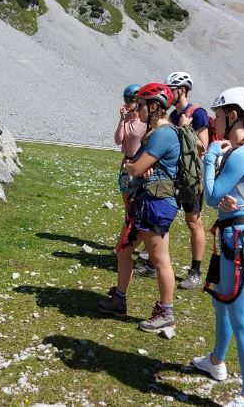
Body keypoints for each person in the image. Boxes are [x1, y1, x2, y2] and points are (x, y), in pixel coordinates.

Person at [191, 87, 244, 407]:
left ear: (232, 116)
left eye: (217, 115)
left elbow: (209, 196)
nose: (213, 120)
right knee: (221, 303)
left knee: (243, 320)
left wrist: (209, 157)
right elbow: (220, 196)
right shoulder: (240, 152)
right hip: (232, 238)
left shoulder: (243, 154)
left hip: (239, 243)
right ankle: (216, 361)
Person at [99, 83, 180, 332]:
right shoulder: (156, 131)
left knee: (159, 258)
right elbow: (141, 167)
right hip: (144, 201)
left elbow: (135, 167)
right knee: (123, 249)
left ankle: (166, 311)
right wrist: (137, 168)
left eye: (142, 105)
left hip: (156, 203)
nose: (140, 110)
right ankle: (120, 299)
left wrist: (130, 167)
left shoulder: (163, 134)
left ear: (153, 106)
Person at [165, 71, 209, 290]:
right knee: (165, 215)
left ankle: (195, 272)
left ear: (181, 90)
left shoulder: (197, 113)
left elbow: (203, 148)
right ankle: (153, 261)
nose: (167, 94)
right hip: (174, 173)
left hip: (191, 176)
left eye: (170, 90)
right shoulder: (172, 115)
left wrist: (184, 127)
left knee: (193, 222)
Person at [114, 84, 149, 262]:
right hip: (125, 165)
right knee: (128, 206)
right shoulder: (126, 118)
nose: (126, 103)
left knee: (139, 206)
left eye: (130, 100)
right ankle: (128, 239)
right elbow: (118, 140)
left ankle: (142, 243)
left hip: (139, 165)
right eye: (125, 100)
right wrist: (121, 120)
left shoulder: (145, 122)